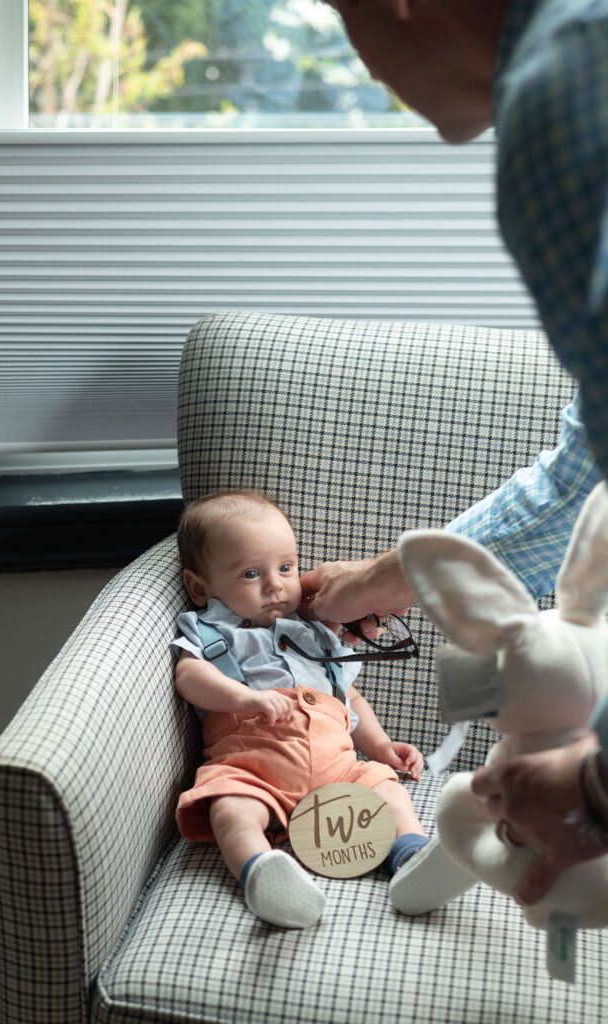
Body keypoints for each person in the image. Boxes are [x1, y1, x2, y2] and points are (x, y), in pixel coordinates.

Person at [301, 0, 608, 906]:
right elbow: (583, 480)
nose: (365, 67)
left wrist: (594, 791)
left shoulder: (564, 93)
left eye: (341, 14)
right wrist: (375, 584)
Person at [171, 488, 441, 929]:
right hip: (252, 769)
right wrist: (244, 698)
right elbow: (189, 677)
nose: (276, 585)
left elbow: (348, 698)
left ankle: (413, 857)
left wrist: (380, 745)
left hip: (340, 770)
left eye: (286, 568)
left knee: (386, 789)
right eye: (251, 573)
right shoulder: (209, 631)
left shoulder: (316, 634)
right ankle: (261, 874)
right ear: (200, 587)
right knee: (230, 808)